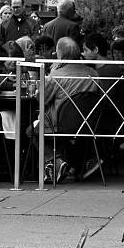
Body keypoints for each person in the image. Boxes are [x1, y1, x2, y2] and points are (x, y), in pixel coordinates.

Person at [38, 37, 100, 183]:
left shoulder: (56, 76)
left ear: (59, 54)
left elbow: (42, 99)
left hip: (59, 123)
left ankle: (56, 161)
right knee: (65, 134)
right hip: (89, 123)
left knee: (31, 130)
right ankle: (76, 163)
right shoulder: (93, 74)